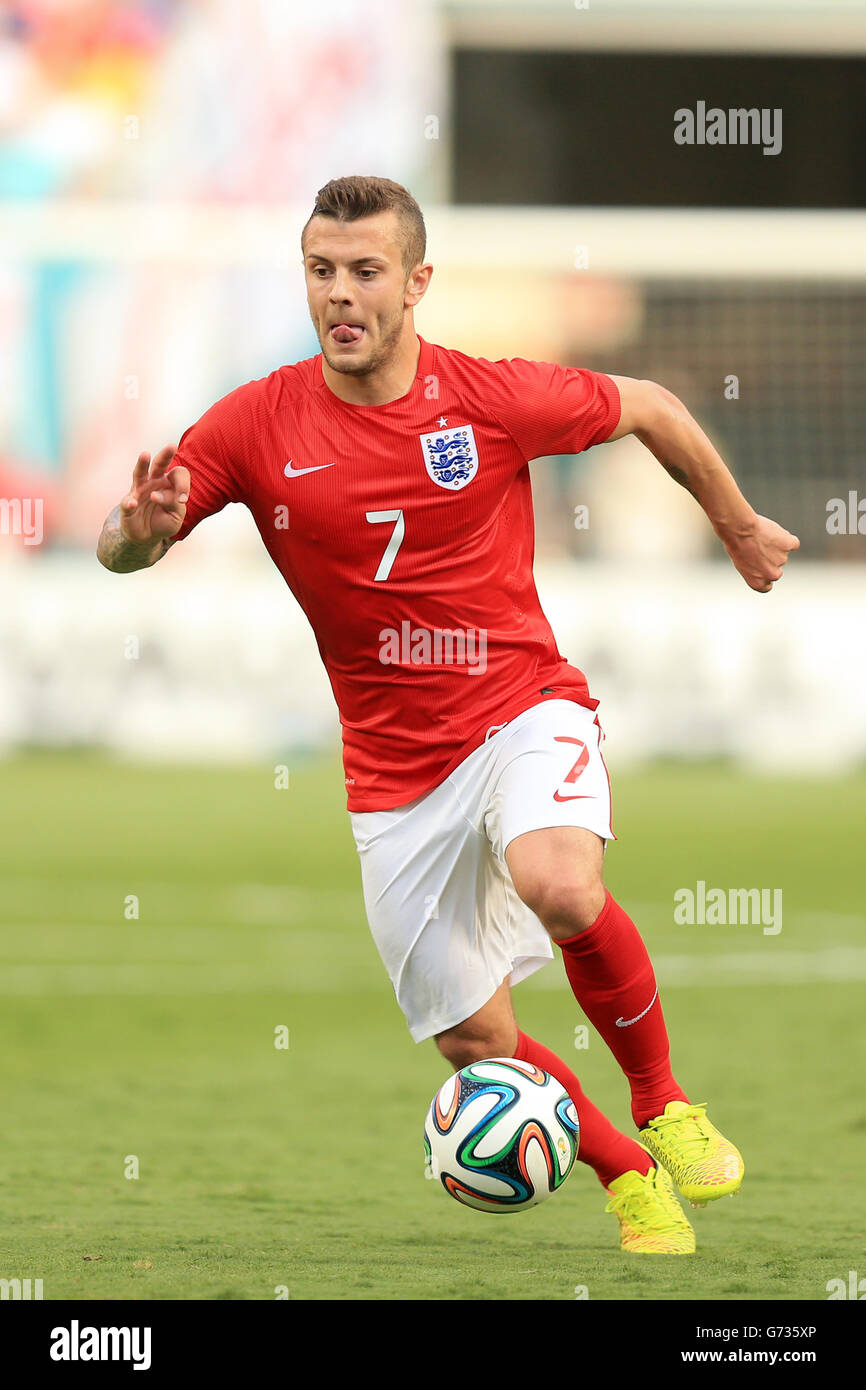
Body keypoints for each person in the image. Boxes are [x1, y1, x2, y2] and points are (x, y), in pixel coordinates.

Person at [97, 175, 799, 1254]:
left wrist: (738, 525)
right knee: (480, 1041)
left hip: (519, 705)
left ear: (416, 282)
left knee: (557, 880)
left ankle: (663, 1104)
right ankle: (623, 1176)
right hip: (392, 775)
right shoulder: (255, 422)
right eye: (321, 271)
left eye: (364, 271)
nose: (340, 294)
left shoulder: (488, 398)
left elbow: (650, 407)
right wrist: (137, 534)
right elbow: (124, 544)